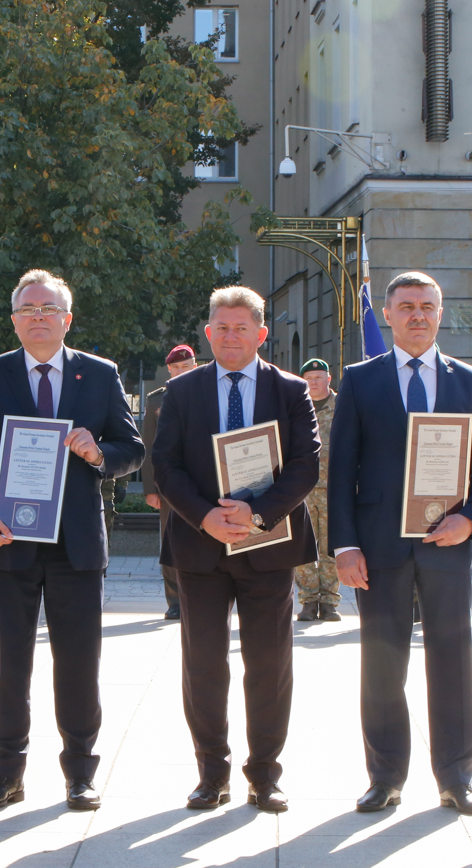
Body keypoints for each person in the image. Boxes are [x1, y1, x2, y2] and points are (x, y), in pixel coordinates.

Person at [0, 269, 143, 811]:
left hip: (76, 544)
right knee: (9, 662)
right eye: (29, 309)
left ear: (67, 319)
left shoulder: (100, 375)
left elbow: (133, 448)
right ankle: (5, 771)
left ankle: (80, 771)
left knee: (78, 661)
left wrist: (99, 453)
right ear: (14, 320)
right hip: (8, 540)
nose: (39, 316)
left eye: (49, 308)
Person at [327, 271, 472, 817]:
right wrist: (344, 546)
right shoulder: (360, 380)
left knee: (452, 660)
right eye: (407, 306)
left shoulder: (468, 381)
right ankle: (385, 778)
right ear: (389, 313)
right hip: (378, 547)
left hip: (446, 543)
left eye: (427, 305)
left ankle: (456, 777)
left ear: (440, 312)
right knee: (382, 666)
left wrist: (470, 521)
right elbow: (341, 472)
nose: (418, 315)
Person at [153, 286, 317, 813]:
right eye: (221, 327)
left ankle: (264, 774)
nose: (230, 336)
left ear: (261, 334)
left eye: (241, 327)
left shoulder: (291, 391)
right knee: (203, 663)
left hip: (269, 545)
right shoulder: (181, 392)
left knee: (268, 664)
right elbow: (166, 466)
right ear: (208, 333)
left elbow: (305, 467)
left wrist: (258, 513)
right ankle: (211, 773)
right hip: (201, 548)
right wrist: (206, 517)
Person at [141, 344, 199, 620]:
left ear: (194, 367)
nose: (180, 372)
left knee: (204, 541)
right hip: (169, 486)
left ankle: (199, 598)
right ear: (169, 369)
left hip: (203, 484)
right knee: (171, 541)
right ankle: (175, 601)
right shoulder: (156, 401)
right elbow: (148, 447)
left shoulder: (207, 394)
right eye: (175, 368)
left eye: (185, 367)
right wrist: (151, 489)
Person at [293, 358, 341, 622]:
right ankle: (309, 601)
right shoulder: (296, 407)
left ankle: (330, 602)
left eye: (318, 377)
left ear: (328, 379)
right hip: (302, 489)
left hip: (335, 489)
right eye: (309, 378)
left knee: (332, 547)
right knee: (303, 547)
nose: (313, 382)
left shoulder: (343, 406)